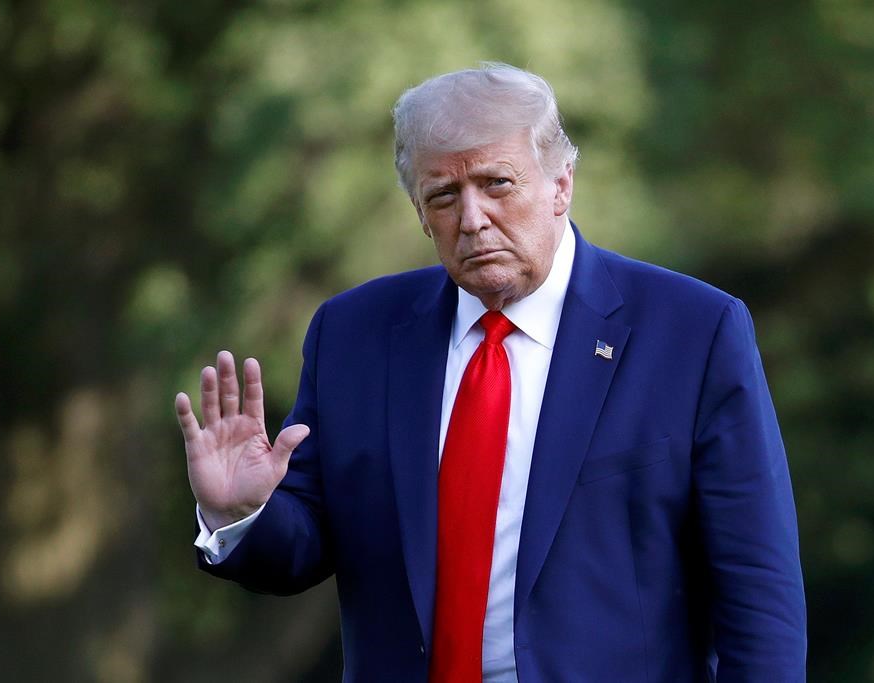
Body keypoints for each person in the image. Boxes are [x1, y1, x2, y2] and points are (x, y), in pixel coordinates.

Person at [175, 63, 807, 682]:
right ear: (422, 215)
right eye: (444, 196)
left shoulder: (691, 331)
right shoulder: (355, 334)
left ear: (561, 185)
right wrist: (241, 514)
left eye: (497, 183)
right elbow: (301, 550)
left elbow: (757, 585)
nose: (471, 219)